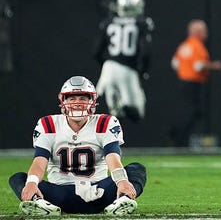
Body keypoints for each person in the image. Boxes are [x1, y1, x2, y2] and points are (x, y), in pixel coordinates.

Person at [8, 76, 146, 216]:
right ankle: (38, 201)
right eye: (72, 99)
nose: (77, 103)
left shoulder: (105, 122)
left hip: (99, 191)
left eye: (82, 98)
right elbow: (39, 162)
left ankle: (123, 200)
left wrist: (122, 181)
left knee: (136, 169)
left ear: (91, 101)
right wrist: (32, 183)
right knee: (20, 179)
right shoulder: (48, 124)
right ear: (64, 101)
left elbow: (113, 158)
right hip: (59, 194)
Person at [94, 0, 153, 123]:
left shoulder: (109, 22)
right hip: (128, 70)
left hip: (108, 68)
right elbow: (145, 52)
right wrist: (143, 72)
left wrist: (105, 67)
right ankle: (122, 106)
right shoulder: (142, 23)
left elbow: (96, 52)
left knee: (113, 114)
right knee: (137, 113)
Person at [170, 19, 221, 147]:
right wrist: (214, 65)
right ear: (196, 32)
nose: (206, 34)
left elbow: (174, 63)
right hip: (193, 83)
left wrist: (184, 71)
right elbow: (198, 66)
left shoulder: (184, 45)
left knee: (189, 111)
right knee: (191, 113)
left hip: (184, 82)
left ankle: (177, 135)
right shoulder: (197, 46)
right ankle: (178, 138)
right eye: (203, 31)